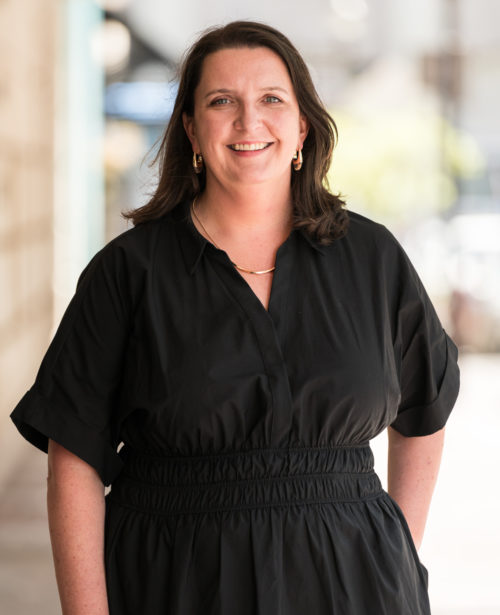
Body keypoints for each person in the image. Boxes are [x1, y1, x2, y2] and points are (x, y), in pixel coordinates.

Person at [10, 20, 460, 615]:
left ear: (302, 127)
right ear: (192, 130)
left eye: (271, 99)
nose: (250, 122)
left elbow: (425, 409)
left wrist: (393, 549)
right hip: (176, 581)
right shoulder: (127, 273)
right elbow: (73, 457)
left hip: (356, 584)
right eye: (223, 101)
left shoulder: (373, 259)